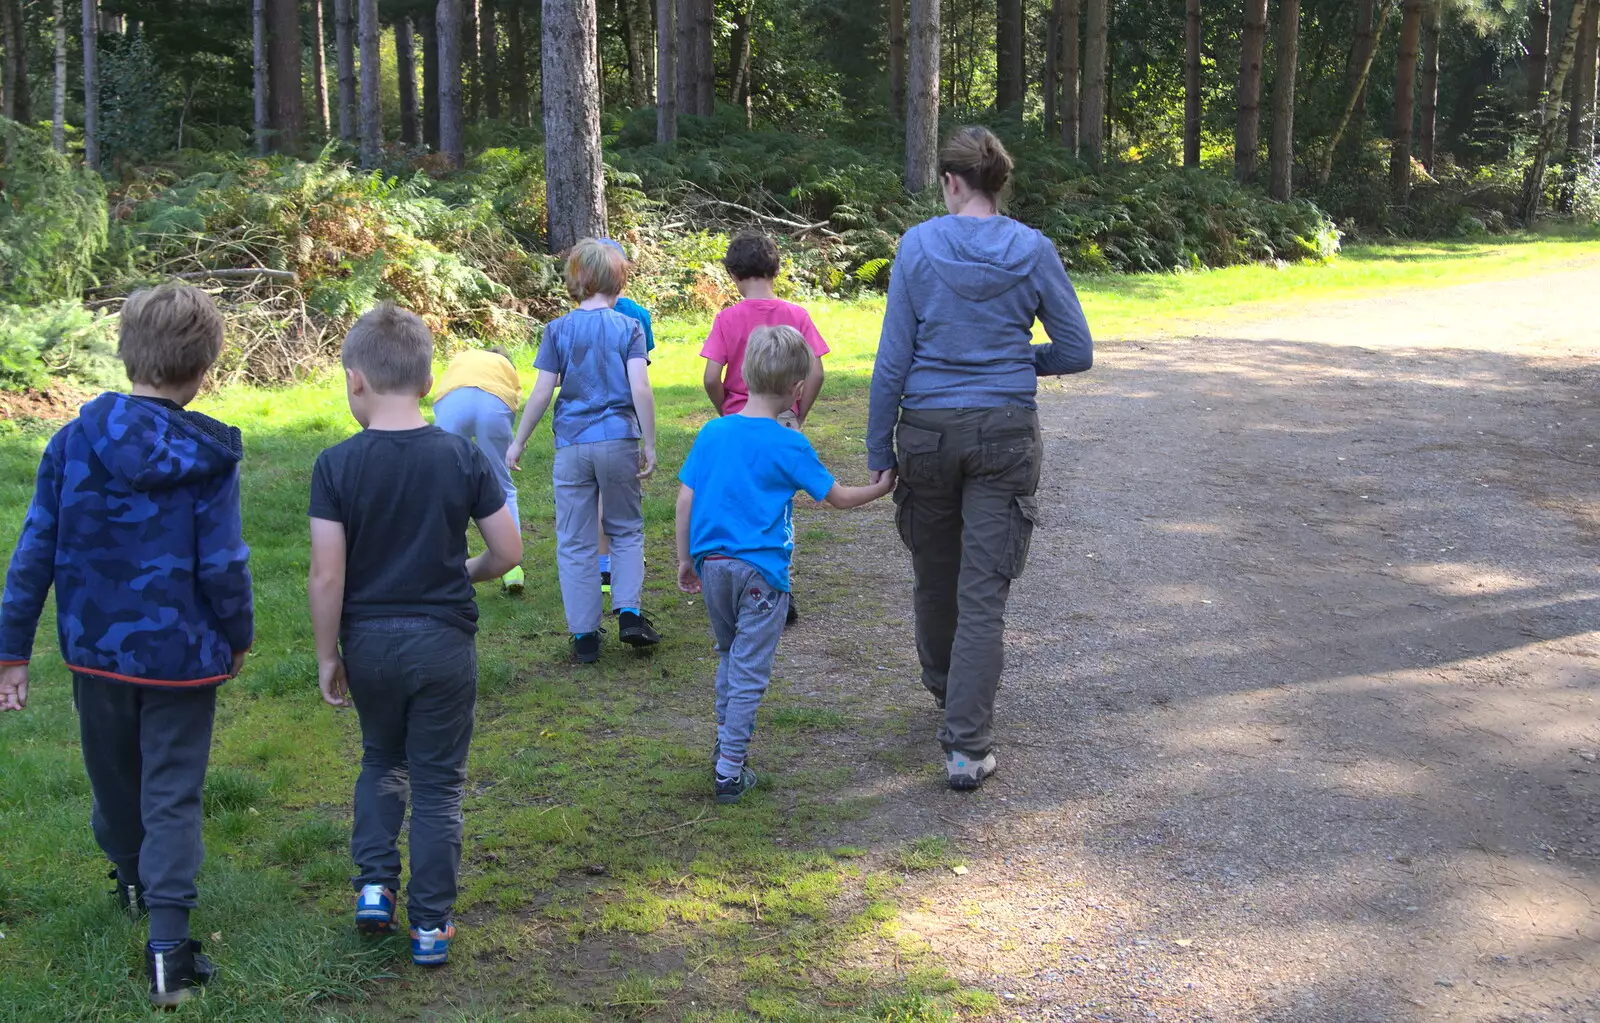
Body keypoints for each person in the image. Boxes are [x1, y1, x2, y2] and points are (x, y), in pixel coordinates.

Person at [0, 284, 252, 1007]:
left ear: (125, 350)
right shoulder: (210, 454)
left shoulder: (73, 440)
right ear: (205, 365)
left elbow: (32, 552)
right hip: (182, 657)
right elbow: (224, 563)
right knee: (171, 792)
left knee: (113, 779)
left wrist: (12, 650)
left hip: (95, 654)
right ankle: (169, 947)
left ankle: (133, 875)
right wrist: (239, 634)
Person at [866, 126, 1093, 792]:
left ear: (951, 181)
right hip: (1003, 431)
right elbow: (1076, 350)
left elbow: (892, 362)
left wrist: (880, 448)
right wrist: (1017, 361)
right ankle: (966, 745)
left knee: (935, 575)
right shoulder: (1032, 248)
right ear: (996, 183)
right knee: (984, 589)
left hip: (928, 432)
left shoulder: (917, 246)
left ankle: (947, 690)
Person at [308, 303, 522, 968]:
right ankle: (431, 926)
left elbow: (325, 575)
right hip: (443, 644)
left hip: (370, 643)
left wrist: (326, 654)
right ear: (430, 381)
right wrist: (465, 570)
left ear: (355, 381)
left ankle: (374, 886)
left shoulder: (335, 465)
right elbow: (508, 551)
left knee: (381, 759)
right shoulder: (460, 457)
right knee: (436, 784)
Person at [677, 325, 895, 803]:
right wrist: (879, 488)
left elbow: (685, 497)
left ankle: (724, 741)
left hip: (712, 564)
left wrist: (684, 559)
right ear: (798, 391)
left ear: (743, 375)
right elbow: (836, 497)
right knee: (750, 669)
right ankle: (730, 769)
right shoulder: (790, 445)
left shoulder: (713, 432)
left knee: (729, 655)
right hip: (762, 575)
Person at [506, 238, 660, 662]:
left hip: (572, 445)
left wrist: (518, 441)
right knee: (625, 528)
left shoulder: (557, 330)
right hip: (619, 439)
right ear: (618, 280)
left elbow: (540, 393)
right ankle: (628, 612)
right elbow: (640, 386)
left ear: (576, 280)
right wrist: (648, 441)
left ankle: (585, 636)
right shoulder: (629, 328)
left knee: (574, 540)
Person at [701, 230, 831, 625]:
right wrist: (797, 412)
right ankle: (779, 584)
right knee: (781, 504)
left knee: (738, 497)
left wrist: (726, 408)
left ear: (734, 274)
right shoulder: (796, 315)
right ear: (775, 270)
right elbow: (817, 370)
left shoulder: (727, 318)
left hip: (741, 417)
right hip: (781, 419)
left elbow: (710, 376)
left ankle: (735, 575)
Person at [433, 345, 526, 593]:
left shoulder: (461, 358)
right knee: (502, 485)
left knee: (444, 487)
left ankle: (442, 564)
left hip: (452, 400)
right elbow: (511, 408)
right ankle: (512, 570)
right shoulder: (506, 369)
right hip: (494, 402)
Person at [597, 239, 656, 600]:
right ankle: (624, 562)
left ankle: (603, 564)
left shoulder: (574, 317)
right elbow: (642, 375)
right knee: (623, 495)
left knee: (596, 495)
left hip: (582, 423)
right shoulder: (638, 315)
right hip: (624, 418)